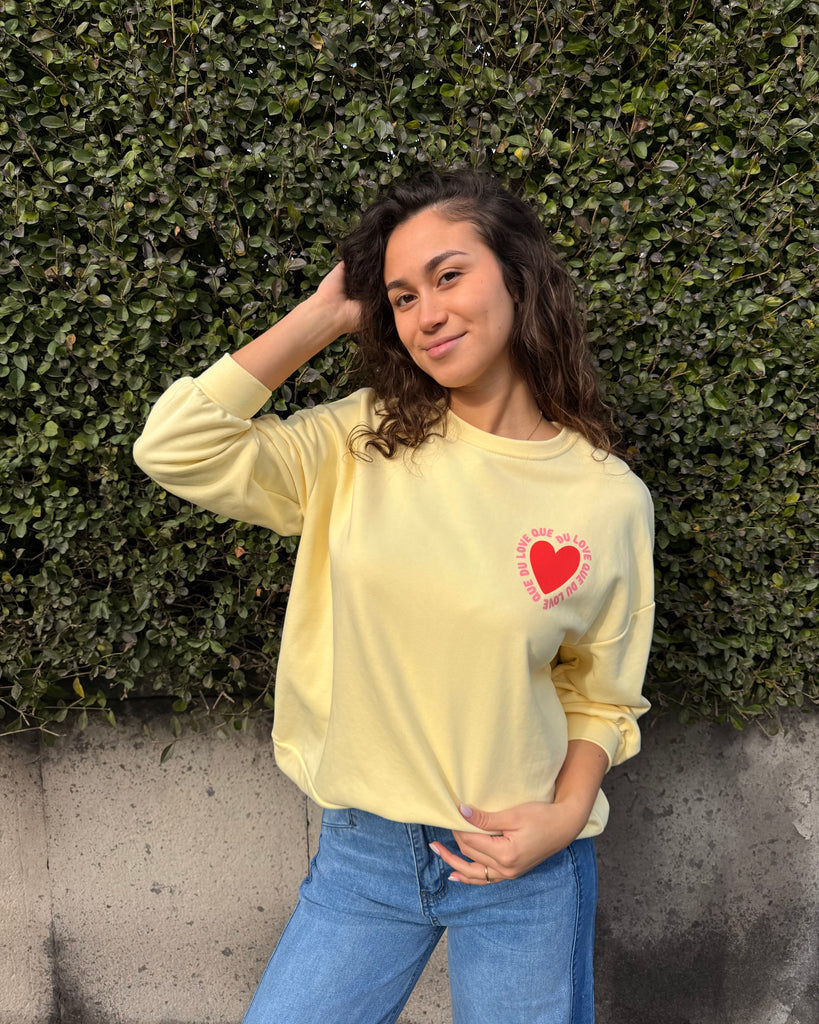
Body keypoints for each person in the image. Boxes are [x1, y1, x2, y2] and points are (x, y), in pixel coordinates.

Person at [133, 168, 654, 1024]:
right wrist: (324, 314)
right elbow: (177, 446)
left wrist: (562, 819)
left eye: (448, 277)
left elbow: (600, 693)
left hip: (521, 860)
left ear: (518, 278)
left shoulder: (606, 499)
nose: (426, 314)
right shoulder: (359, 440)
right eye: (402, 297)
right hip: (364, 857)